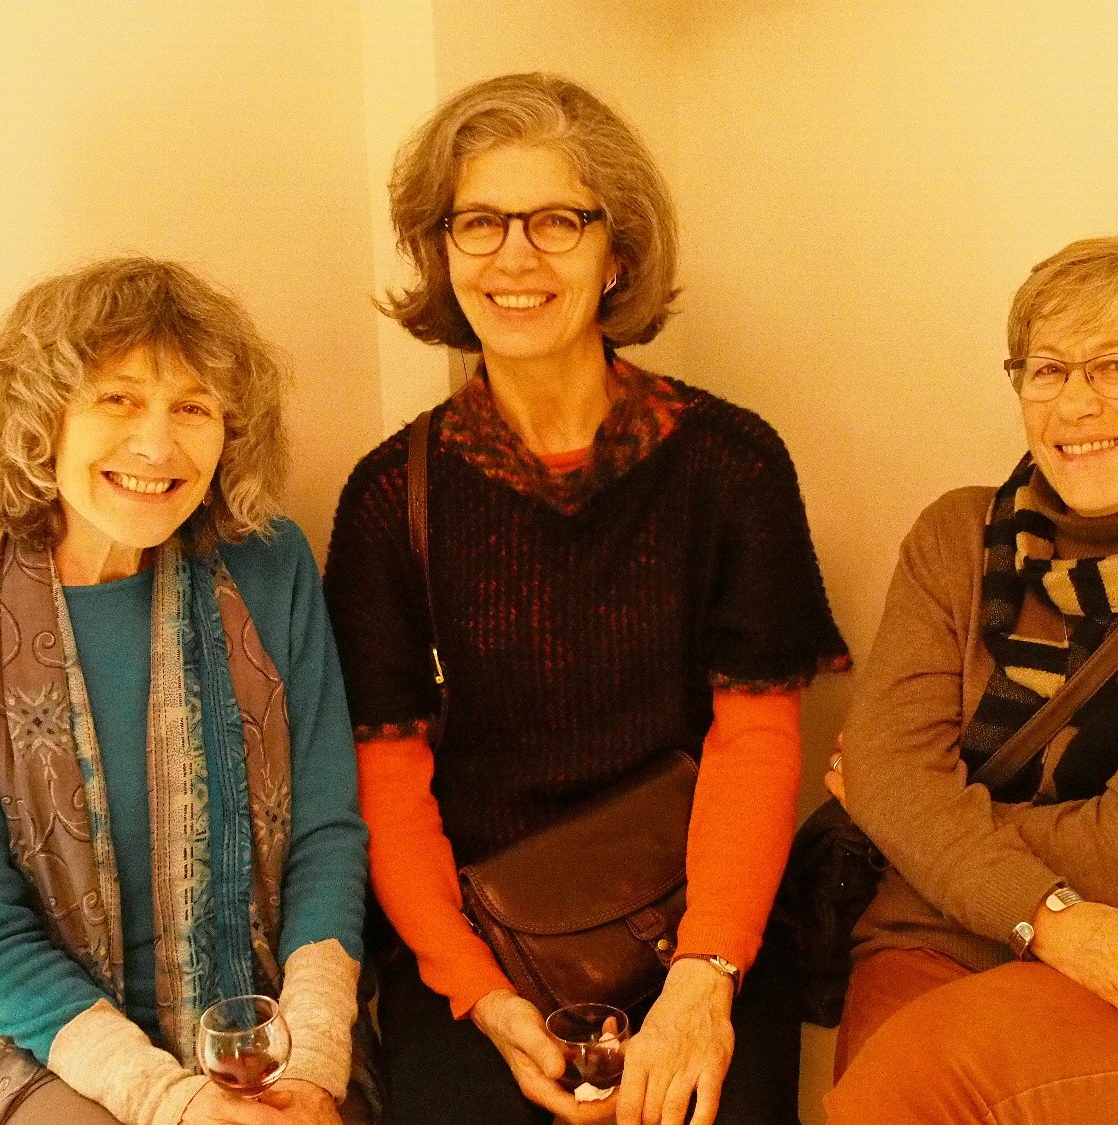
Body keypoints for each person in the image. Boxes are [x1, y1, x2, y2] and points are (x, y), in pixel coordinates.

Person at [322, 72, 848, 1125]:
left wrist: (705, 977)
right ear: (441, 250)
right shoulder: (389, 497)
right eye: (479, 222)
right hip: (481, 942)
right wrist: (480, 994)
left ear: (618, 253)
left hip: (694, 925)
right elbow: (388, 777)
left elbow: (753, 743)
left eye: (557, 220)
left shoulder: (732, 464)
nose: (514, 257)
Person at [0, 259, 371, 1125]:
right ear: (41, 418)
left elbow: (326, 833)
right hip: (53, 1045)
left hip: (271, 1022)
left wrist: (316, 1060)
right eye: (118, 399)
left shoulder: (270, 564)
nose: (157, 447)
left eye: (193, 408)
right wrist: (171, 1102)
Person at [823, 234, 1118, 1123]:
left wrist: (924, 823)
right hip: (935, 938)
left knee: (910, 1084)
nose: (1076, 402)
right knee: (882, 1076)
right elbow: (890, 776)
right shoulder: (954, 539)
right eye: (1047, 370)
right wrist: (1041, 913)